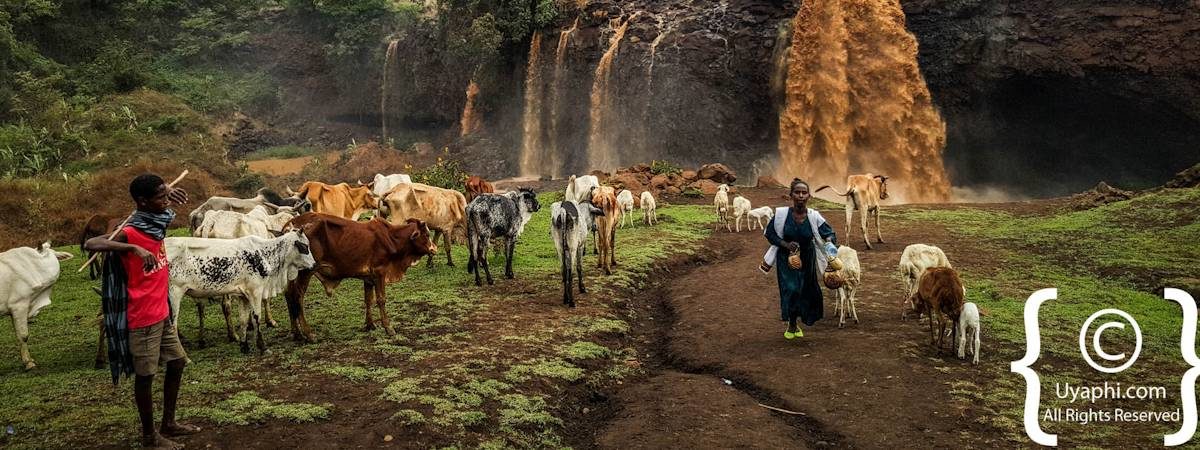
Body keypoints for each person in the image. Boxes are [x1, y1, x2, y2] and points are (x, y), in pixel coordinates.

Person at [85, 173, 200, 449]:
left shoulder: (155, 222)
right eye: (160, 197)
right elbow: (91, 244)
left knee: (177, 363)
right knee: (146, 376)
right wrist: (132, 247)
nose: (166, 201)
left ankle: (169, 423)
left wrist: (168, 191)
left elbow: (168, 214)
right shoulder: (131, 230)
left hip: (160, 312)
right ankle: (150, 436)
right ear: (142, 202)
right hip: (142, 317)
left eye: (165, 195)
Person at [762, 178, 838, 339]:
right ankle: (792, 323)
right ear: (791, 195)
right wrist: (785, 244)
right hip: (786, 258)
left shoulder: (814, 216)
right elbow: (769, 234)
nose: (801, 195)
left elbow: (829, 233)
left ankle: (803, 318)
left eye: (804, 192)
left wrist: (829, 241)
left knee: (807, 289)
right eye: (797, 192)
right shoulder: (782, 215)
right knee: (791, 289)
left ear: (809, 196)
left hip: (808, 256)